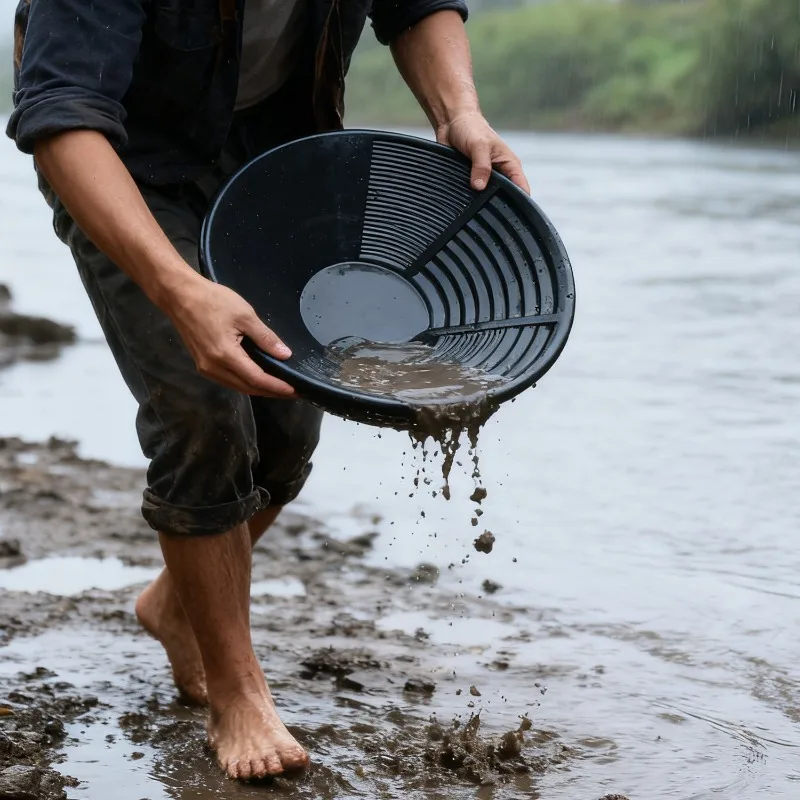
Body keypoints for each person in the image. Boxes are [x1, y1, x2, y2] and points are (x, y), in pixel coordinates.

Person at [7, 0, 529, 782]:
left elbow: (415, 5)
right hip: (127, 165)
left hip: (277, 157)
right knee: (202, 407)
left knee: (286, 422)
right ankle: (236, 692)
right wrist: (181, 291)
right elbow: (61, 118)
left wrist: (460, 112)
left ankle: (176, 605)